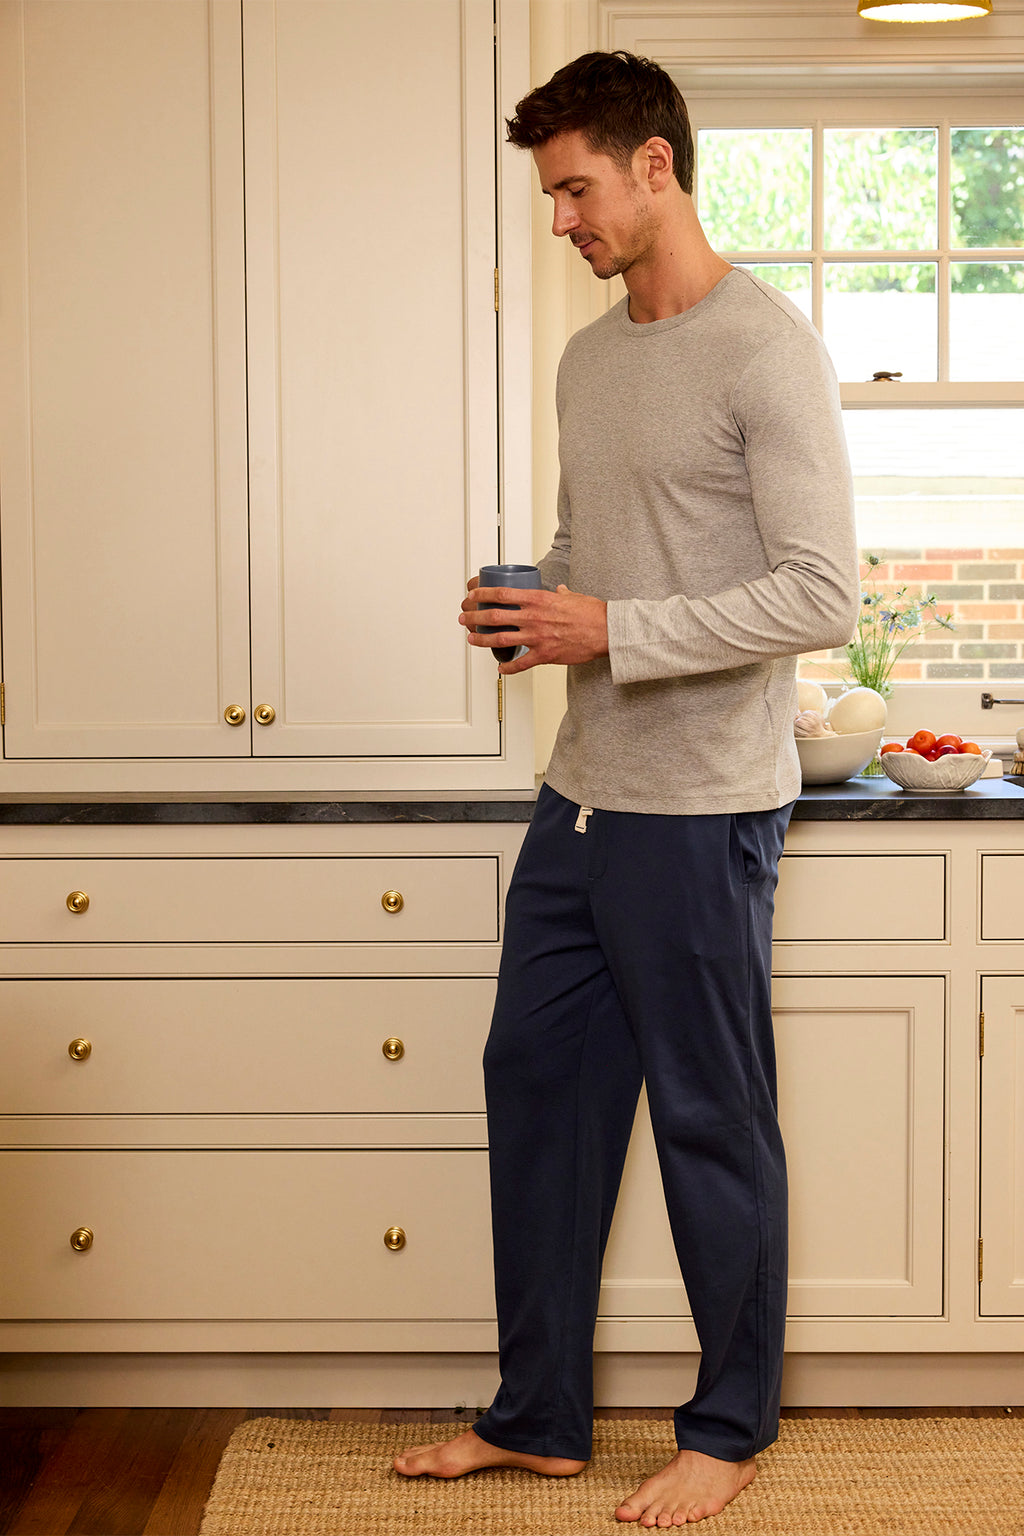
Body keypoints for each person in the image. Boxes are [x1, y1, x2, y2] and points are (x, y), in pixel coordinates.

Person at [394, 49, 859, 1527]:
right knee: (534, 1094)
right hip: (582, 796)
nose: (562, 221)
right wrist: (537, 606)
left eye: (577, 189)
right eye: (551, 196)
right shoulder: (590, 361)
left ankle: (727, 1431)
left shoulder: (765, 352)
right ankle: (537, 1415)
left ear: (657, 166)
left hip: (704, 809)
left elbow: (822, 593)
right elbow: (597, 555)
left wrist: (612, 629)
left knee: (713, 1121)